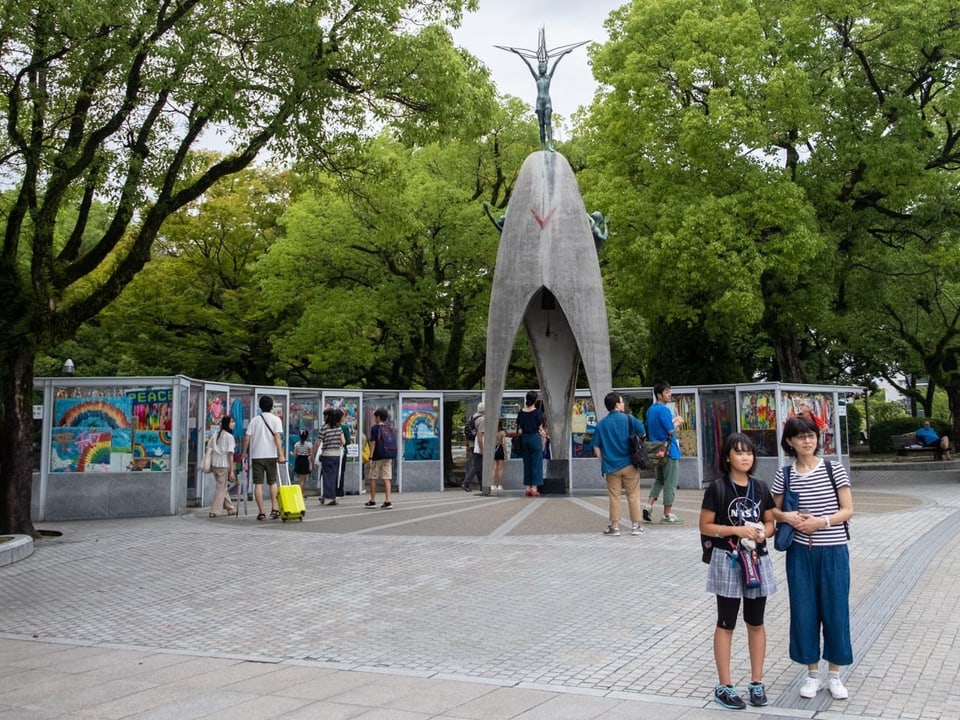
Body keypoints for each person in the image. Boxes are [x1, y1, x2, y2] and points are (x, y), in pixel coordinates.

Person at [771, 416, 855, 701]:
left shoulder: (834, 468)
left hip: (833, 550)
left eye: (811, 435)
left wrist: (821, 522)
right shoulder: (785, 474)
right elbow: (773, 511)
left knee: (835, 611)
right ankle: (811, 674)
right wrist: (788, 517)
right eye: (800, 436)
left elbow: (848, 510)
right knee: (804, 612)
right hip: (799, 553)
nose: (807, 440)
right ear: (790, 442)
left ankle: (834, 675)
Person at [699, 433, 777, 710]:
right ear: (727, 457)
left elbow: (770, 521)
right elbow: (705, 525)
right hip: (728, 560)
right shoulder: (718, 488)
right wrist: (736, 530)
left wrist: (762, 533)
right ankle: (724, 686)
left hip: (756, 559)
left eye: (749, 453)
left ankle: (757, 682)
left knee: (756, 621)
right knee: (726, 621)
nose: (745, 457)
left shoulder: (760, 487)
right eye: (739, 453)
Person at [592, 392, 646, 536]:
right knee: (633, 495)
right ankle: (636, 526)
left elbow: (596, 446)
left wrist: (603, 460)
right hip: (630, 464)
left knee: (614, 497)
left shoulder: (601, 424)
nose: (623, 404)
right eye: (622, 402)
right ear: (616, 404)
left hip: (611, 466)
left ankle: (614, 526)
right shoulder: (629, 419)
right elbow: (642, 432)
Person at [643, 381, 685, 524]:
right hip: (669, 451)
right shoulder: (664, 410)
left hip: (657, 451)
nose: (669, 394)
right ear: (659, 395)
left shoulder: (650, 410)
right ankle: (667, 515)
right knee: (670, 483)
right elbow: (670, 430)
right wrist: (678, 422)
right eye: (667, 392)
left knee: (659, 480)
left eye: (669, 391)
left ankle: (648, 505)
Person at [242, 395, 285, 521]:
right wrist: (281, 454)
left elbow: (247, 438)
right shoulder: (276, 420)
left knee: (258, 484)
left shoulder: (254, 420)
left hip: (257, 456)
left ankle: (261, 512)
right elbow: (277, 438)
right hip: (271, 455)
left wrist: (244, 452)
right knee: (272, 482)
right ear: (272, 406)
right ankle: (274, 508)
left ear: (260, 406)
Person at [207, 415, 238, 518]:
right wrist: (232, 470)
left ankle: (230, 508)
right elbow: (230, 454)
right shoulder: (229, 437)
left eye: (233, 422)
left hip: (215, 463)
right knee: (220, 488)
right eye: (231, 422)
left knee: (222, 486)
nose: (233, 424)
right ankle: (214, 511)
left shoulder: (216, 434)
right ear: (227, 424)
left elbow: (210, 445)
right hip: (223, 464)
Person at [516, 390, 545, 496]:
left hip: (524, 438)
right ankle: (534, 487)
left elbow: (519, 427)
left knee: (527, 462)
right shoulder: (537, 412)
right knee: (536, 463)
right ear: (535, 400)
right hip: (534, 437)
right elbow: (540, 427)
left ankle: (527, 487)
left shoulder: (521, 412)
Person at [365, 408, 394, 509]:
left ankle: (373, 500)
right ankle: (388, 500)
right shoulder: (389, 428)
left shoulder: (375, 428)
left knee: (373, 477)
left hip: (377, 456)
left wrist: (370, 457)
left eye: (375, 416)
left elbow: (373, 443)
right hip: (388, 456)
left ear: (378, 417)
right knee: (387, 477)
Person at [318, 408, 345, 505]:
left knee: (326, 476)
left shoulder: (324, 427)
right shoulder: (339, 427)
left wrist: (312, 453)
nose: (324, 417)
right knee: (333, 476)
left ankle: (330, 497)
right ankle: (327, 496)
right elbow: (343, 442)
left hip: (327, 454)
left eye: (325, 415)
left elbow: (318, 442)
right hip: (336, 455)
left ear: (328, 416)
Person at [462, 403, 484, 493]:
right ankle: (466, 483)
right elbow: (480, 434)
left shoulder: (472, 417)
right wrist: (482, 447)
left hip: (472, 443)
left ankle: (483, 485)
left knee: (478, 464)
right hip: (478, 444)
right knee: (477, 464)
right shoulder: (482, 419)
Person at [492, 419, 507, 495]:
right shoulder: (502, 433)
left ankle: (493, 485)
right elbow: (503, 443)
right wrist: (506, 452)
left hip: (493, 449)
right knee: (500, 469)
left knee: (493, 468)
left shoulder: (492, 432)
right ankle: (500, 485)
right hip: (500, 449)